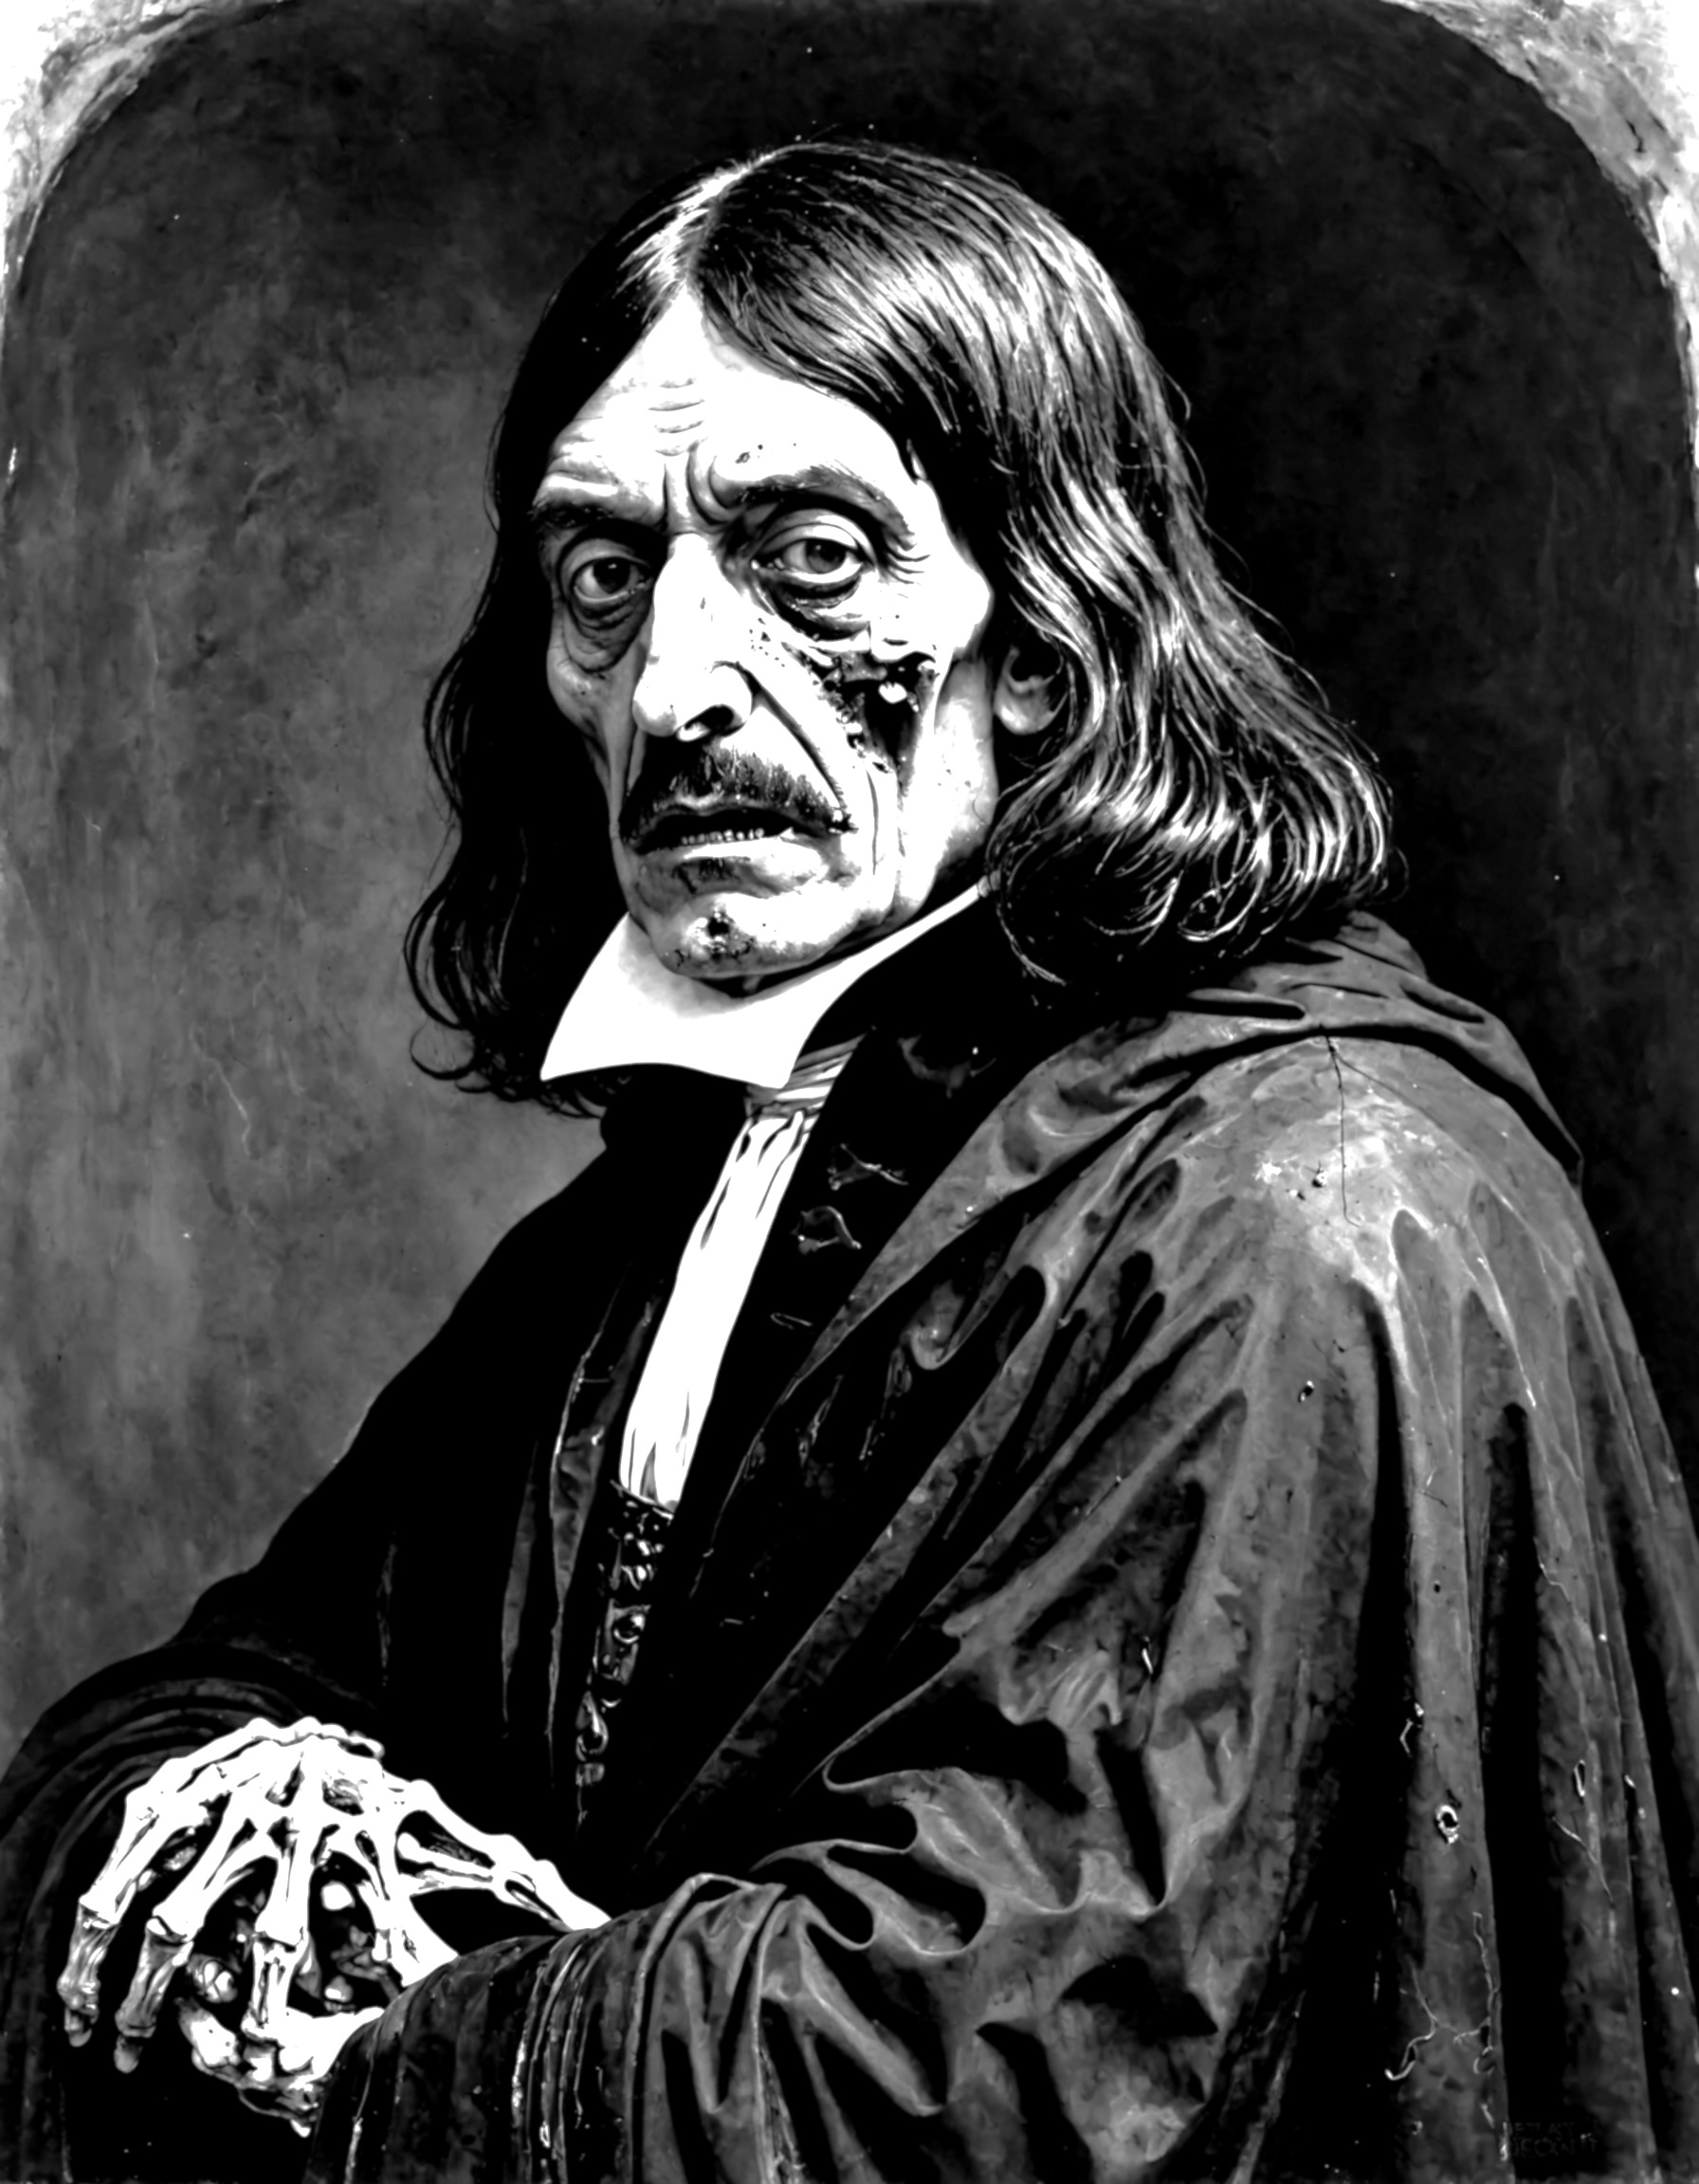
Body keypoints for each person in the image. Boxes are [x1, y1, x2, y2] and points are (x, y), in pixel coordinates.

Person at [2, 136, 1696, 2184]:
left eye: (808, 557)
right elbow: (223, 1699)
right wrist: (219, 1847)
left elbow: (1008, 2073)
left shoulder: (1308, 1207)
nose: (673, 690)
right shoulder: (688, 1195)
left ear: (1045, 639)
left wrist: (384, 2027)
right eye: (602, 579)